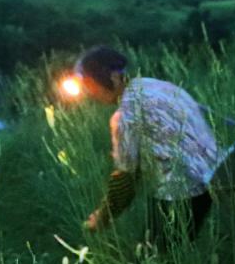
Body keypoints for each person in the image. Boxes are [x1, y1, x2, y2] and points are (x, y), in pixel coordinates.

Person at [75, 46, 220, 244]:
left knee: (152, 260)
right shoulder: (157, 85)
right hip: (214, 175)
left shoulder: (125, 117)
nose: (89, 93)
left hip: (181, 191)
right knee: (175, 249)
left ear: (114, 78)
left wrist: (102, 218)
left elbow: (126, 180)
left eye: (90, 85)